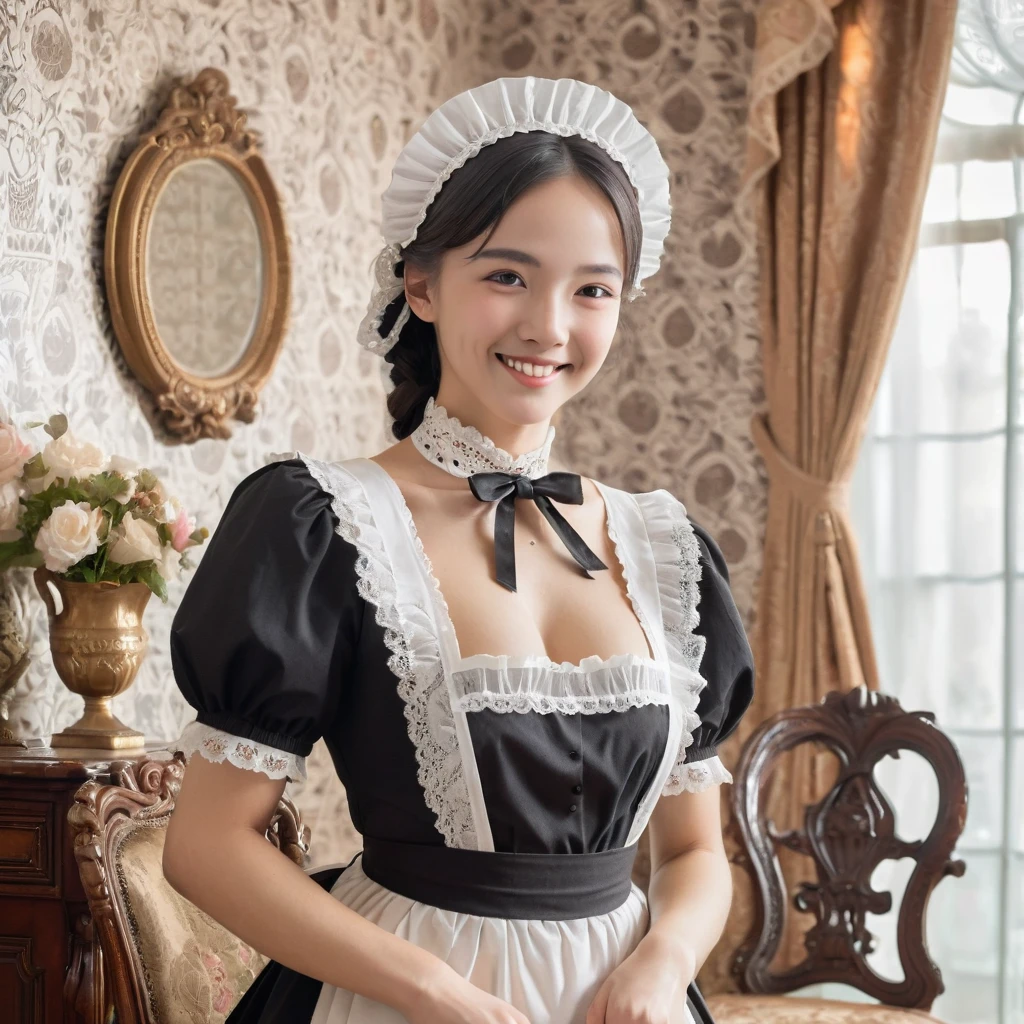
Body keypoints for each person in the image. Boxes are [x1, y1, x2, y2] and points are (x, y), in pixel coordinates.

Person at [163, 75, 755, 1024]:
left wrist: (661, 965)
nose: (549, 328)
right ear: (423, 284)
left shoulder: (666, 549)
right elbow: (205, 846)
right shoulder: (321, 522)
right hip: (398, 1001)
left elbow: (691, 852)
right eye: (508, 275)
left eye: (591, 289)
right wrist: (437, 992)